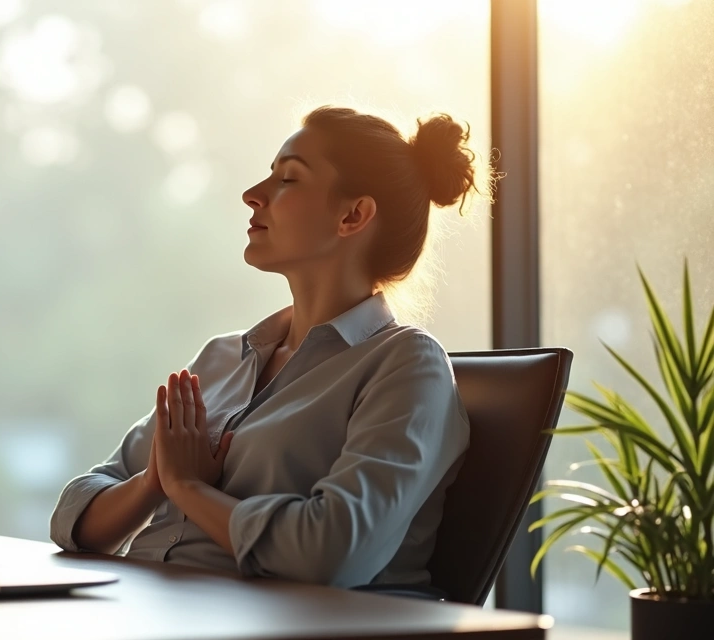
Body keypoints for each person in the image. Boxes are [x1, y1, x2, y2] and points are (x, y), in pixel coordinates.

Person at [48, 105, 486, 588]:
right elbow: (73, 518)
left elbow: (331, 553)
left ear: (353, 215)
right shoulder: (220, 358)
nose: (252, 194)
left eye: (288, 178)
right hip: (149, 610)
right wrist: (153, 482)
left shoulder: (408, 366)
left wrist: (186, 487)